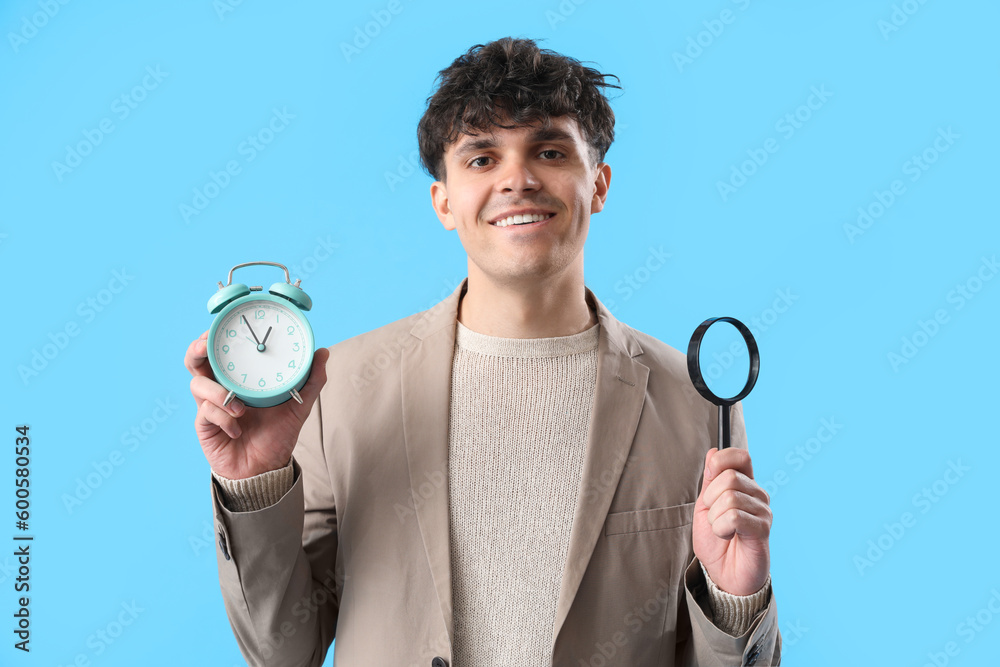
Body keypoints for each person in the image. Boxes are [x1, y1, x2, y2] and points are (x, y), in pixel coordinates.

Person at [185, 36, 780, 666]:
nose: (517, 179)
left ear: (599, 184)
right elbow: (282, 653)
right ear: (443, 200)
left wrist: (734, 600)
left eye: (549, 152)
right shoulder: (340, 390)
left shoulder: (691, 399)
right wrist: (252, 487)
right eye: (481, 159)